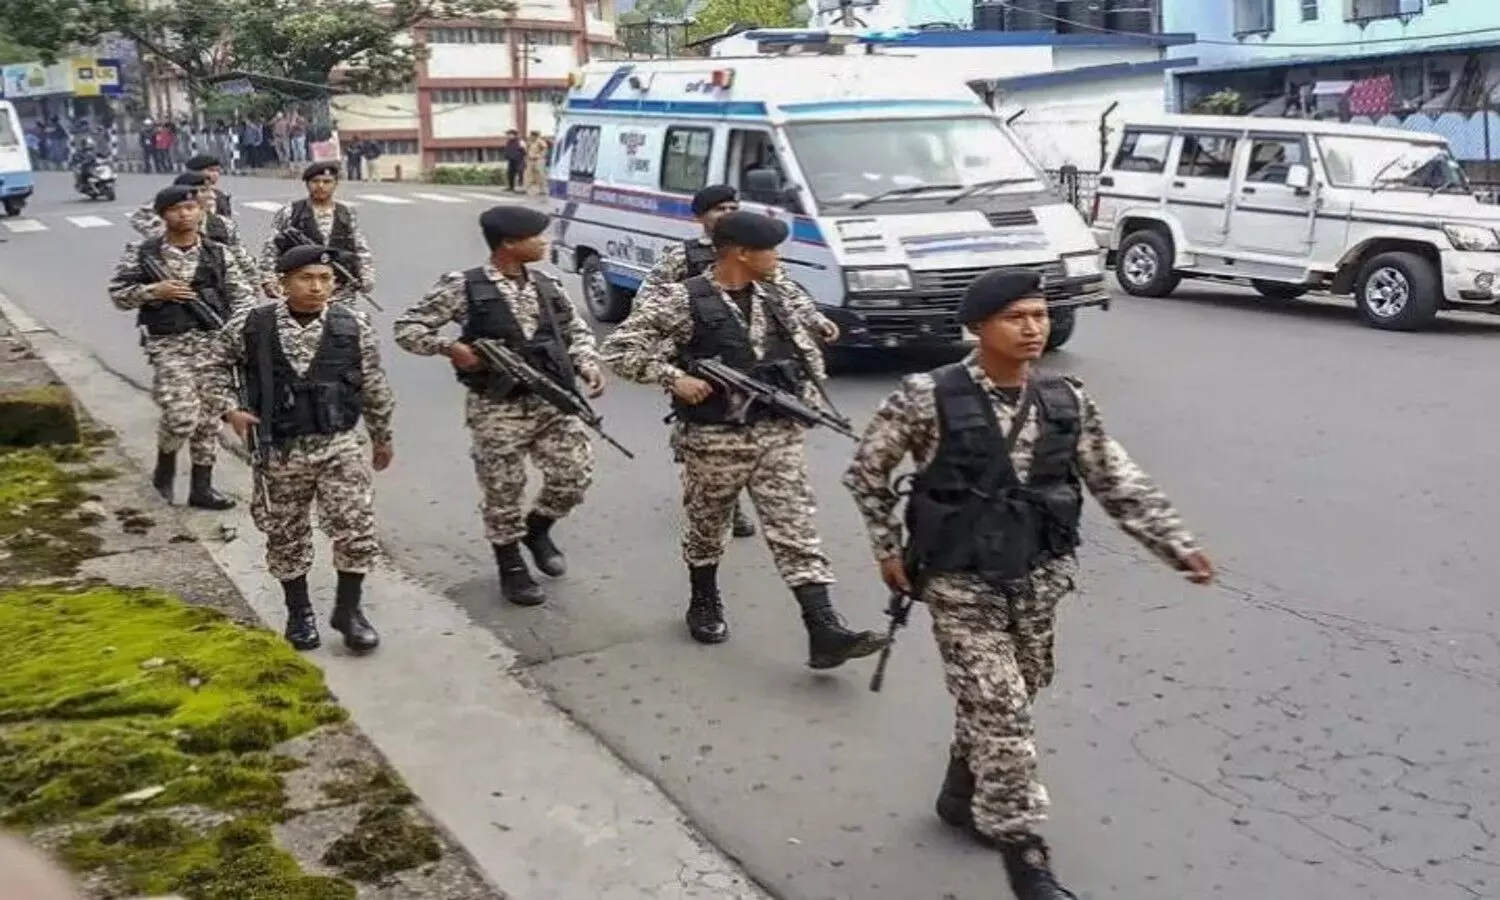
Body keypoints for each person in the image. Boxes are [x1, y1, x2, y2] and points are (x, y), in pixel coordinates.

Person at [841, 268, 1216, 900]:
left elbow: (1115, 480)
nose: (1033, 327)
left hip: (1039, 581)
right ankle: (1026, 859)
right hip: (961, 585)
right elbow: (866, 473)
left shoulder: (1066, 401)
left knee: (1013, 694)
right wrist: (886, 550)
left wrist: (1175, 544)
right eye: (1016, 316)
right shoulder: (925, 397)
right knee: (1004, 710)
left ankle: (960, 794)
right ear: (978, 327)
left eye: (1040, 315)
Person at [600, 210, 887, 668]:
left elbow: (806, 354)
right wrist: (673, 378)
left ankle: (823, 628)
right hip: (714, 437)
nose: (778, 258)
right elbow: (618, 348)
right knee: (708, 526)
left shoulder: (779, 295)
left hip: (777, 435)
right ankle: (704, 597)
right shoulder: (681, 300)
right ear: (741, 253)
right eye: (771, 249)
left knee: (796, 528)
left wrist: (806, 401)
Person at [392, 206, 604, 606]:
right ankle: (511, 564)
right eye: (536, 236)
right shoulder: (463, 286)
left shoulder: (547, 284)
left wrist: (588, 365)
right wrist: (449, 347)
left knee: (574, 477)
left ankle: (538, 530)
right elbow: (408, 327)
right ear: (509, 243)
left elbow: (576, 330)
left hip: (551, 402)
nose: (544, 242)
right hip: (496, 407)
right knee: (503, 490)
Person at [209, 245, 395, 654]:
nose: (317, 287)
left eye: (325, 279)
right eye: (306, 278)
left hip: (339, 444)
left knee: (356, 528)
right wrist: (230, 410)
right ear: (282, 283)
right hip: (281, 449)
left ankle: (349, 611)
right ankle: (299, 612)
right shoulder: (252, 324)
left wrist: (382, 435)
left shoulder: (353, 324)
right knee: (286, 534)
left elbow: (373, 382)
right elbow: (212, 365)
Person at [638, 184, 844, 541]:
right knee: (706, 426)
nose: (726, 213)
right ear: (701, 217)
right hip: (699, 353)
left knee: (753, 418)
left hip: (748, 350)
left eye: (732, 206)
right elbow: (648, 302)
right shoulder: (680, 257)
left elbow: (786, 292)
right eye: (718, 209)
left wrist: (815, 320)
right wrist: (671, 358)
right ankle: (719, 500)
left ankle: (739, 494)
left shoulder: (756, 251)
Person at [107, 185, 255, 509]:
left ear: (201, 212)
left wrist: (235, 331)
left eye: (191, 207)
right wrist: (153, 292)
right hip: (168, 345)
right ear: (163, 215)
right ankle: (165, 467)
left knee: (209, 418)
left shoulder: (218, 253)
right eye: (176, 208)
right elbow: (118, 294)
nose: (185, 214)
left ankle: (202, 488)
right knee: (182, 414)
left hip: (215, 344)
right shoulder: (143, 252)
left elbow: (243, 297)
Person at [260, 162, 375, 307]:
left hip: (340, 290)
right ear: (307, 184)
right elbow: (272, 247)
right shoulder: (291, 212)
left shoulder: (345, 213)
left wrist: (366, 275)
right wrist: (269, 279)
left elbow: (360, 247)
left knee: (341, 326)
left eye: (327, 182)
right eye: (315, 181)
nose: (321, 186)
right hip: (301, 289)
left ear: (335, 184)